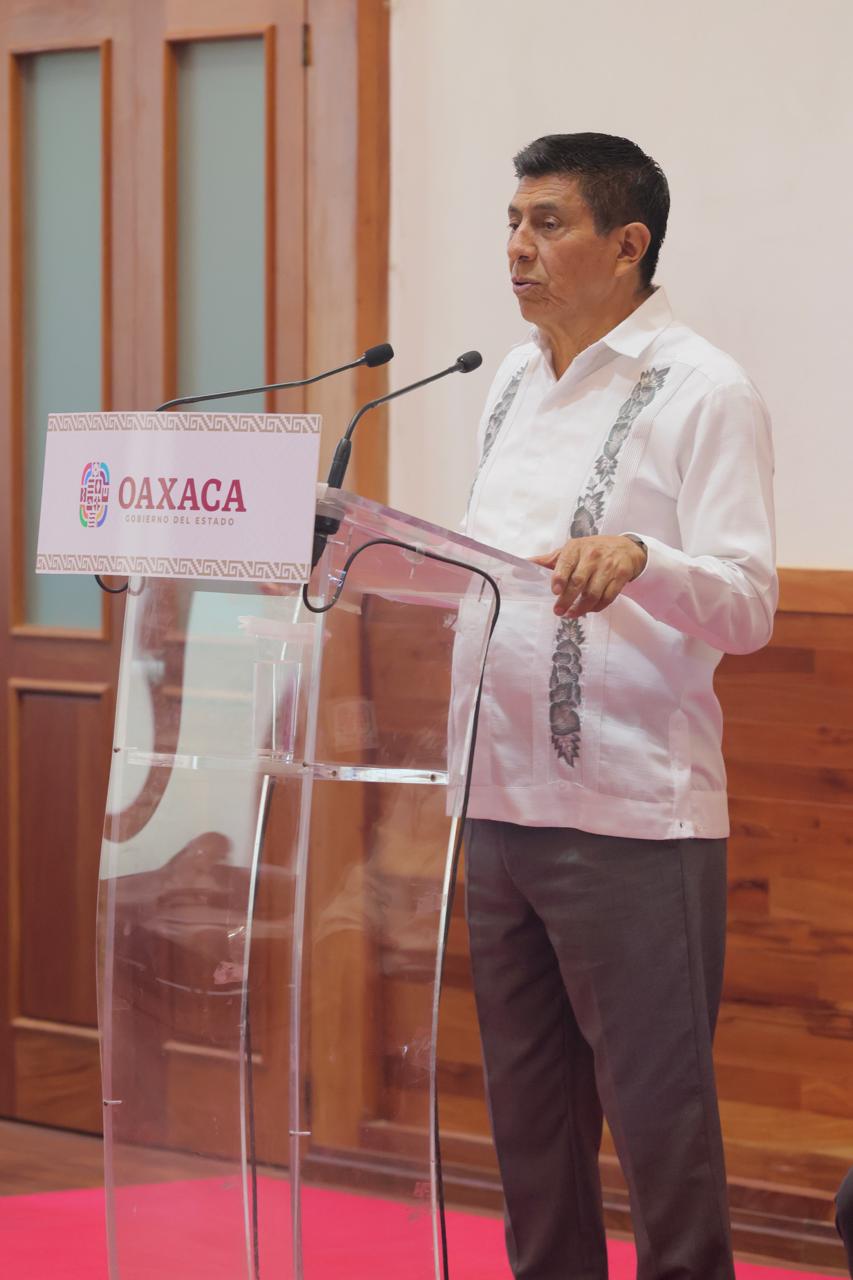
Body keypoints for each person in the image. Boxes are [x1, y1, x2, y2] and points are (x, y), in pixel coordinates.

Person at [461, 133, 777, 1280]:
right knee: (529, 1125)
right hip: (493, 797)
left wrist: (643, 555)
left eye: (547, 223)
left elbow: (748, 603)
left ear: (627, 242)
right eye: (512, 221)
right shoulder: (506, 378)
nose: (517, 246)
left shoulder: (701, 387)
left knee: (658, 1122)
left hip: (632, 812)